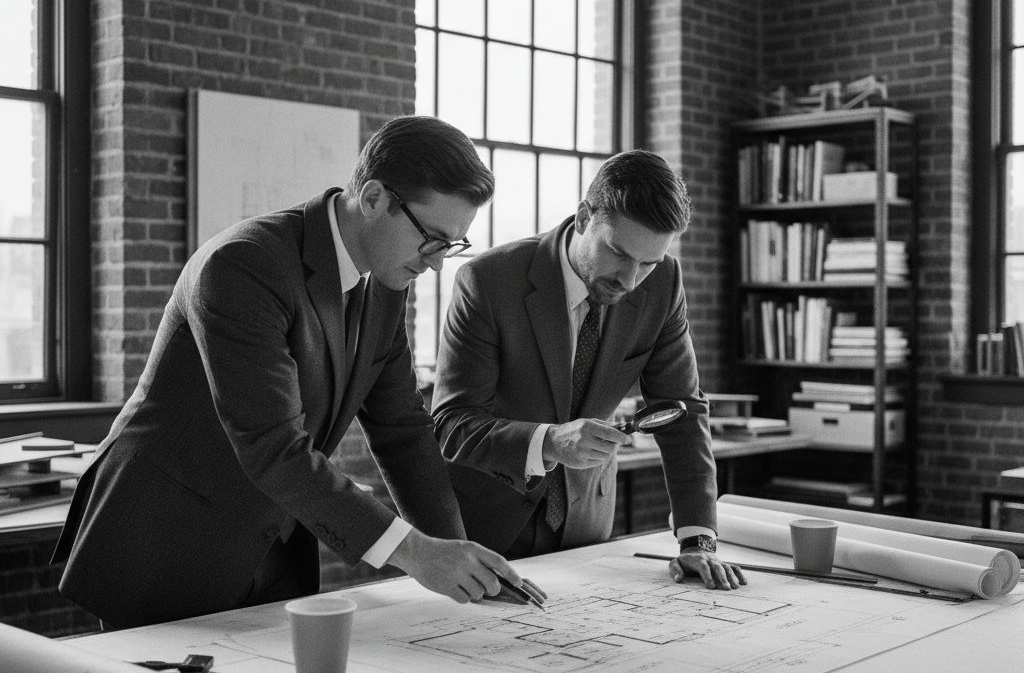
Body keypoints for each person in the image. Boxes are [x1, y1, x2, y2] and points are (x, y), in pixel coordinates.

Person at [53, 116, 541, 628]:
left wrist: (454, 553)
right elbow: (272, 445)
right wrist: (415, 553)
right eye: (433, 240)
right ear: (374, 198)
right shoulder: (244, 264)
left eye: (452, 245)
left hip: (278, 546)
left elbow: (401, 428)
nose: (439, 264)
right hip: (169, 544)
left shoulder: (386, 285)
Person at [431, 149, 745, 590]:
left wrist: (698, 539)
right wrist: (549, 442)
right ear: (583, 218)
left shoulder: (664, 284)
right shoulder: (487, 280)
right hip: (485, 531)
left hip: (588, 531)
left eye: (648, 263)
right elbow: (452, 425)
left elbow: (682, 411)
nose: (631, 280)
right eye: (618, 253)